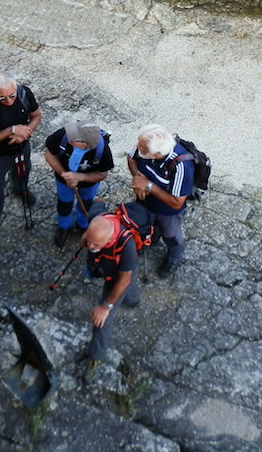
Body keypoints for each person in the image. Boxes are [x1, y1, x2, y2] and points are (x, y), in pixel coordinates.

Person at [0, 71, 41, 251]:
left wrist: (24, 133)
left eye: (12, 95)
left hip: (21, 146)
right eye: (2, 98)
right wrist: (12, 130)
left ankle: (20, 189)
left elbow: (36, 116)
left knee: (24, 170)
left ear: (16, 88)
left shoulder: (24, 93)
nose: (9, 101)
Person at [128, 124, 193, 278]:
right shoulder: (143, 147)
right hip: (145, 202)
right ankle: (151, 238)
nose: (137, 148)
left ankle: (174, 256)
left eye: (142, 147)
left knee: (171, 235)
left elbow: (176, 202)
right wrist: (138, 178)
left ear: (156, 154)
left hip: (167, 211)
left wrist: (148, 186)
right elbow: (131, 159)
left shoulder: (182, 166)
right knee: (144, 226)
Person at [81, 209, 141, 374]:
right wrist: (87, 237)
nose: (89, 246)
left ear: (110, 240)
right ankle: (133, 300)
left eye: (95, 244)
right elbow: (99, 200)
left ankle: (95, 357)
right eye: (89, 241)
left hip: (119, 276)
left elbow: (124, 280)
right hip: (110, 268)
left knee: (101, 321)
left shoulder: (127, 246)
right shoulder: (97, 218)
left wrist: (105, 307)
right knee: (129, 291)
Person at [44, 121, 114, 248]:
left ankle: (83, 225)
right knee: (64, 203)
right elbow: (49, 154)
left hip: (88, 184)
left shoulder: (102, 150)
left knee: (86, 203)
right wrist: (65, 175)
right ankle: (64, 226)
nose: (69, 137)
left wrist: (80, 177)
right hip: (63, 181)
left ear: (84, 144)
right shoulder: (63, 135)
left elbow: (102, 174)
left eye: (75, 139)